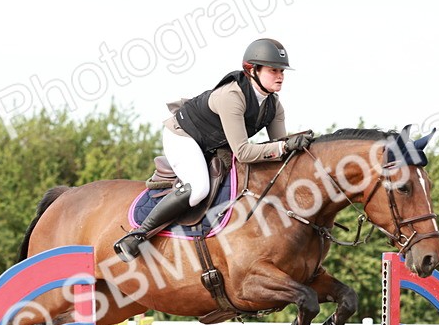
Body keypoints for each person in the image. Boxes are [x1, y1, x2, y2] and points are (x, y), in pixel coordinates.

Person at [113, 38, 314, 262]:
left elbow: (279, 147)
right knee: (199, 188)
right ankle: (138, 235)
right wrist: (284, 146)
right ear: (252, 70)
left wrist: (297, 144)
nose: (280, 76)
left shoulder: (273, 105)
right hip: (184, 136)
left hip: (215, 143)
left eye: (282, 71)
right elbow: (245, 153)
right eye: (273, 70)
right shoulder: (232, 96)